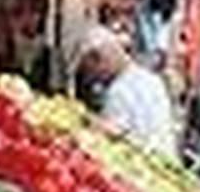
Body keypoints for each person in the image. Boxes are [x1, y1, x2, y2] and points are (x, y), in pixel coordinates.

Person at [76, 25, 177, 157]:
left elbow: (114, 137)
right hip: (166, 157)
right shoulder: (152, 79)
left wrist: (92, 128)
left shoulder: (118, 92)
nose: (96, 79)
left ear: (100, 60)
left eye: (93, 71)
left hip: (143, 165)